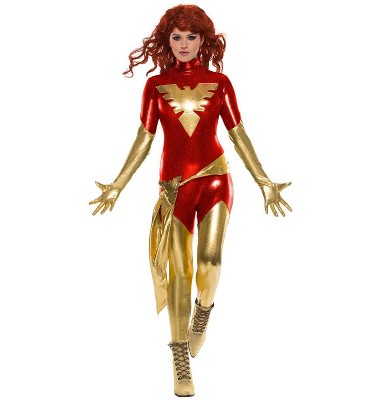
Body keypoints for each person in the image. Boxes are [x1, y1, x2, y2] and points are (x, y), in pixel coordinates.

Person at [89, 4, 292, 397]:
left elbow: (238, 134)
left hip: (215, 180)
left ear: (204, 40)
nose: (184, 44)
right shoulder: (155, 86)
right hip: (173, 189)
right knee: (179, 273)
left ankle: (203, 311)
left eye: (191, 36)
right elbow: (144, 140)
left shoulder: (221, 83)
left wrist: (264, 181)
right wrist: (118, 184)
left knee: (210, 262)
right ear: (167, 41)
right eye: (176, 37)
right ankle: (179, 355)